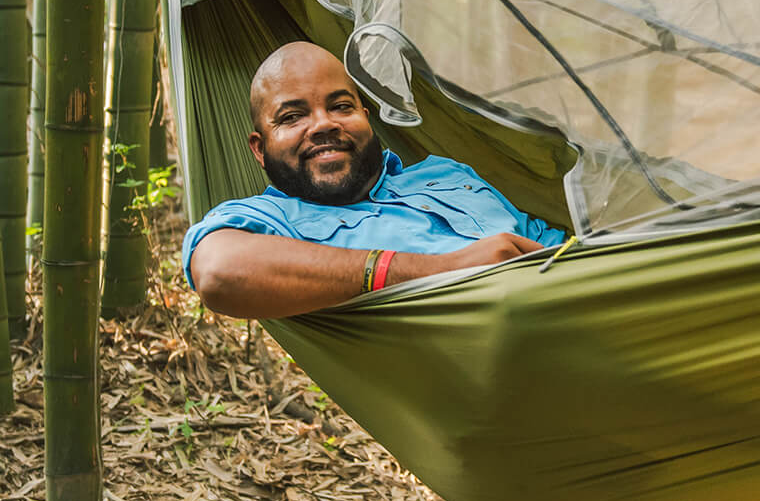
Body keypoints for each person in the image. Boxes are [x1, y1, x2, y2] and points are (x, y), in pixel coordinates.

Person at [184, 41, 566, 319]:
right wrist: (447, 269)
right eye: (292, 117)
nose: (324, 123)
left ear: (366, 116)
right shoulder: (273, 219)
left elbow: (559, 247)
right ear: (259, 148)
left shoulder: (448, 173)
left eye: (340, 106)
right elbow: (220, 272)